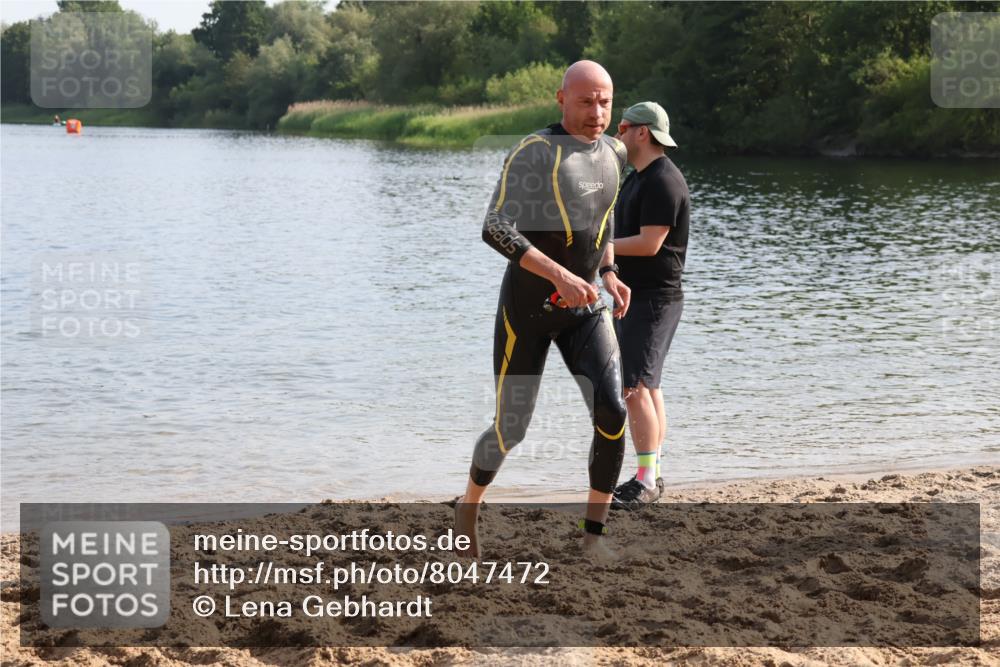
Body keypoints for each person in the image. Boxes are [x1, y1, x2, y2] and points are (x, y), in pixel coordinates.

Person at [455, 60, 632, 558]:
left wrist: (610, 272)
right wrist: (559, 274)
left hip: (585, 310)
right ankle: (469, 506)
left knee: (612, 411)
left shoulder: (615, 152)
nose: (596, 112)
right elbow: (495, 227)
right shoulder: (537, 153)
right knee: (511, 427)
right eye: (585, 101)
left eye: (605, 101)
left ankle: (592, 537)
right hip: (528, 310)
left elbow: (605, 216)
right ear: (561, 98)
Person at [608, 102, 689, 510]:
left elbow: (649, 243)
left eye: (622, 127)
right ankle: (650, 473)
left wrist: (597, 248)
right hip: (637, 295)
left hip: (655, 298)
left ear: (644, 133)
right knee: (648, 386)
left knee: (634, 387)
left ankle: (645, 481)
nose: (616, 133)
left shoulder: (663, 180)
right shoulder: (637, 177)